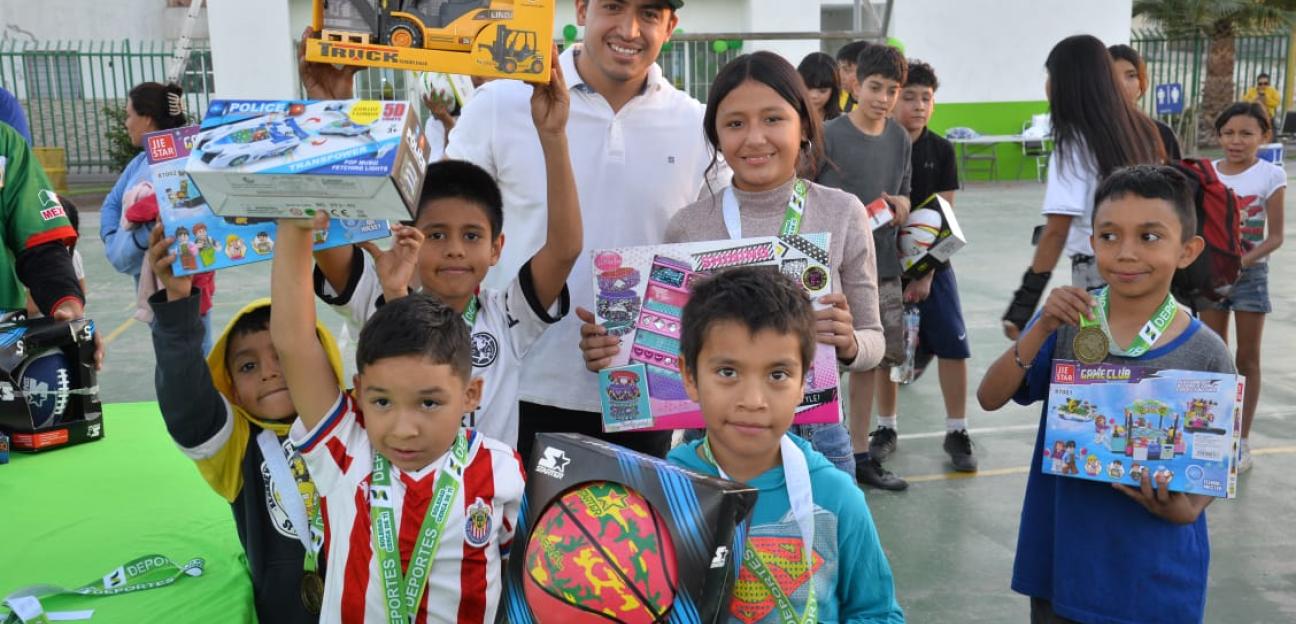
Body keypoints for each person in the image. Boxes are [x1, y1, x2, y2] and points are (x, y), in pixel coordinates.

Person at [578, 51, 886, 475]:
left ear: (803, 125)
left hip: (814, 440)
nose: (755, 138)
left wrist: (849, 344)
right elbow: (670, 351)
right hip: (709, 441)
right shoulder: (688, 226)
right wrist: (614, 351)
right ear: (717, 136)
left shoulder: (842, 212)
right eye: (735, 123)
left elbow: (874, 339)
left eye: (773, 119)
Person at [446, 0, 719, 462]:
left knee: (631, 535)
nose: (629, 29)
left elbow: (719, 265)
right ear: (580, 9)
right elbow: (438, 228)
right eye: (612, 6)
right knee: (509, 534)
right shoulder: (499, 104)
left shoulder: (699, 126)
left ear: (670, 26)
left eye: (650, 14)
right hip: (508, 386)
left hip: (641, 401)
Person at [978, 165, 1226, 624]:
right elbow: (989, 397)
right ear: (1092, 243)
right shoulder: (1071, 320)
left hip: (1155, 577)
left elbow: (1213, 466)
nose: (1126, 253)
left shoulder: (1206, 352)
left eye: (1149, 237)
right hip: (1065, 567)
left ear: (1187, 250)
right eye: (1109, 236)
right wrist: (1041, 329)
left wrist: (1182, 510)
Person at [313, 59, 578, 448]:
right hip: (395, 504)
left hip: (484, 506)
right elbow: (326, 239)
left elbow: (565, 249)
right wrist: (329, 111)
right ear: (409, 235)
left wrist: (553, 136)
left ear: (496, 248)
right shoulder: (381, 297)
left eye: (472, 236)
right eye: (436, 235)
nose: (454, 250)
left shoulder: (505, 316)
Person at [274, 215, 525, 622]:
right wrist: (295, 227)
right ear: (359, 391)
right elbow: (294, 342)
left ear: (470, 395)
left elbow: (515, 575)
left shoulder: (501, 469)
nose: (403, 429)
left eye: (428, 404)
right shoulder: (346, 450)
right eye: (382, 403)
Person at [667, 267, 904, 623]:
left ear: (804, 382)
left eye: (777, 375)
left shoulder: (836, 496)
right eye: (728, 372)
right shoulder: (660, 487)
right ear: (690, 376)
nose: (753, 400)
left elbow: (878, 613)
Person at [144, 225, 339, 623]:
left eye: (282, 356)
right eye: (248, 365)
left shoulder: (351, 424)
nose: (269, 373)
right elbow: (188, 403)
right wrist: (179, 302)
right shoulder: (237, 447)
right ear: (230, 385)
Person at [1002, 35, 1165, 340]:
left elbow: (1056, 231)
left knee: (1103, 369)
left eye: (1051, 76)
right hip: (1151, 267)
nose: (1048, 85)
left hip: (1101, 271)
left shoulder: (1075, 143)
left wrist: (1023, 306)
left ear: (1069, 83)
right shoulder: (1143, 129)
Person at [817, 42, 912, 490]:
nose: (884, 98)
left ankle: (858, 453)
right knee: (824, 359)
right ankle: (821, 449)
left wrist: (901, 205)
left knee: (869, 359)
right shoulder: (828, 135)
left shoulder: (900, 138)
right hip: (830, 267)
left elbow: (906, 192)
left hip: (884, 264)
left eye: (893, 90)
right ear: (855, 85)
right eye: (876, 87)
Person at [882, 59, 977, 472]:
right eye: (909, 97)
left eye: (926, 98)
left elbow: (946, 221)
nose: (918, 106)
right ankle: (885, 427)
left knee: (954, 346)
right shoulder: (881, 145)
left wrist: (926, 274)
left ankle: (957, 429)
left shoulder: (941, 150)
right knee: (889, 350)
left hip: (934, 269)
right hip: (885, 268)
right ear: (892, 99)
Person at [1198, 102, 1285, 473]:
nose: (1236, 141)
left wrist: (1239, 263)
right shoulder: (1206, 174)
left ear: (1264, 136)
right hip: (1210, 276)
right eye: (1228, 133)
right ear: (1218, 136)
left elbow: (1276, 237)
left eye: (1246, 133)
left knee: (1247, 358)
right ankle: (1213, 434)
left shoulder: (1271, 175)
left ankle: (1241, 440)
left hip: (1250, 277)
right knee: (1213, 353)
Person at [100, 82, 215, 351]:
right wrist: (111, 238)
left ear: (148, 119)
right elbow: (111, 205)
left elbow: (124, 256)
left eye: (129, 115)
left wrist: (133, 241)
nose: (126, 123)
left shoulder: (181, 164)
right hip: (152, 286)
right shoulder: (139, 163)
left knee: (193, 357)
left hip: (186, 287)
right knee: (173, 358)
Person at [0, 121, 83, 325]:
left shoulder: (6, 143)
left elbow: (39, 244)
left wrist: (66, 302)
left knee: (58, 357)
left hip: (4, 327)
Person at [1108, 44, 1182, 161]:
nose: (1122, 84)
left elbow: (1176, 177)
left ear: (1141, 81)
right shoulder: (1085, 133)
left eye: (1131, 75)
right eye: (1112, 76)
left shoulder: (1160, 133)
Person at [797, 51, 843, 122]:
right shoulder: (786, 118)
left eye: (822, 91)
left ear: (833, 91)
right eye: (807, 88)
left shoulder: (844, 122)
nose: (813, 96)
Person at [834, 40, 870, 115]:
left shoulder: (876, 105)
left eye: (847, 70)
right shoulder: (834, 98)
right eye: (839, 69)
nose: (840, 75)